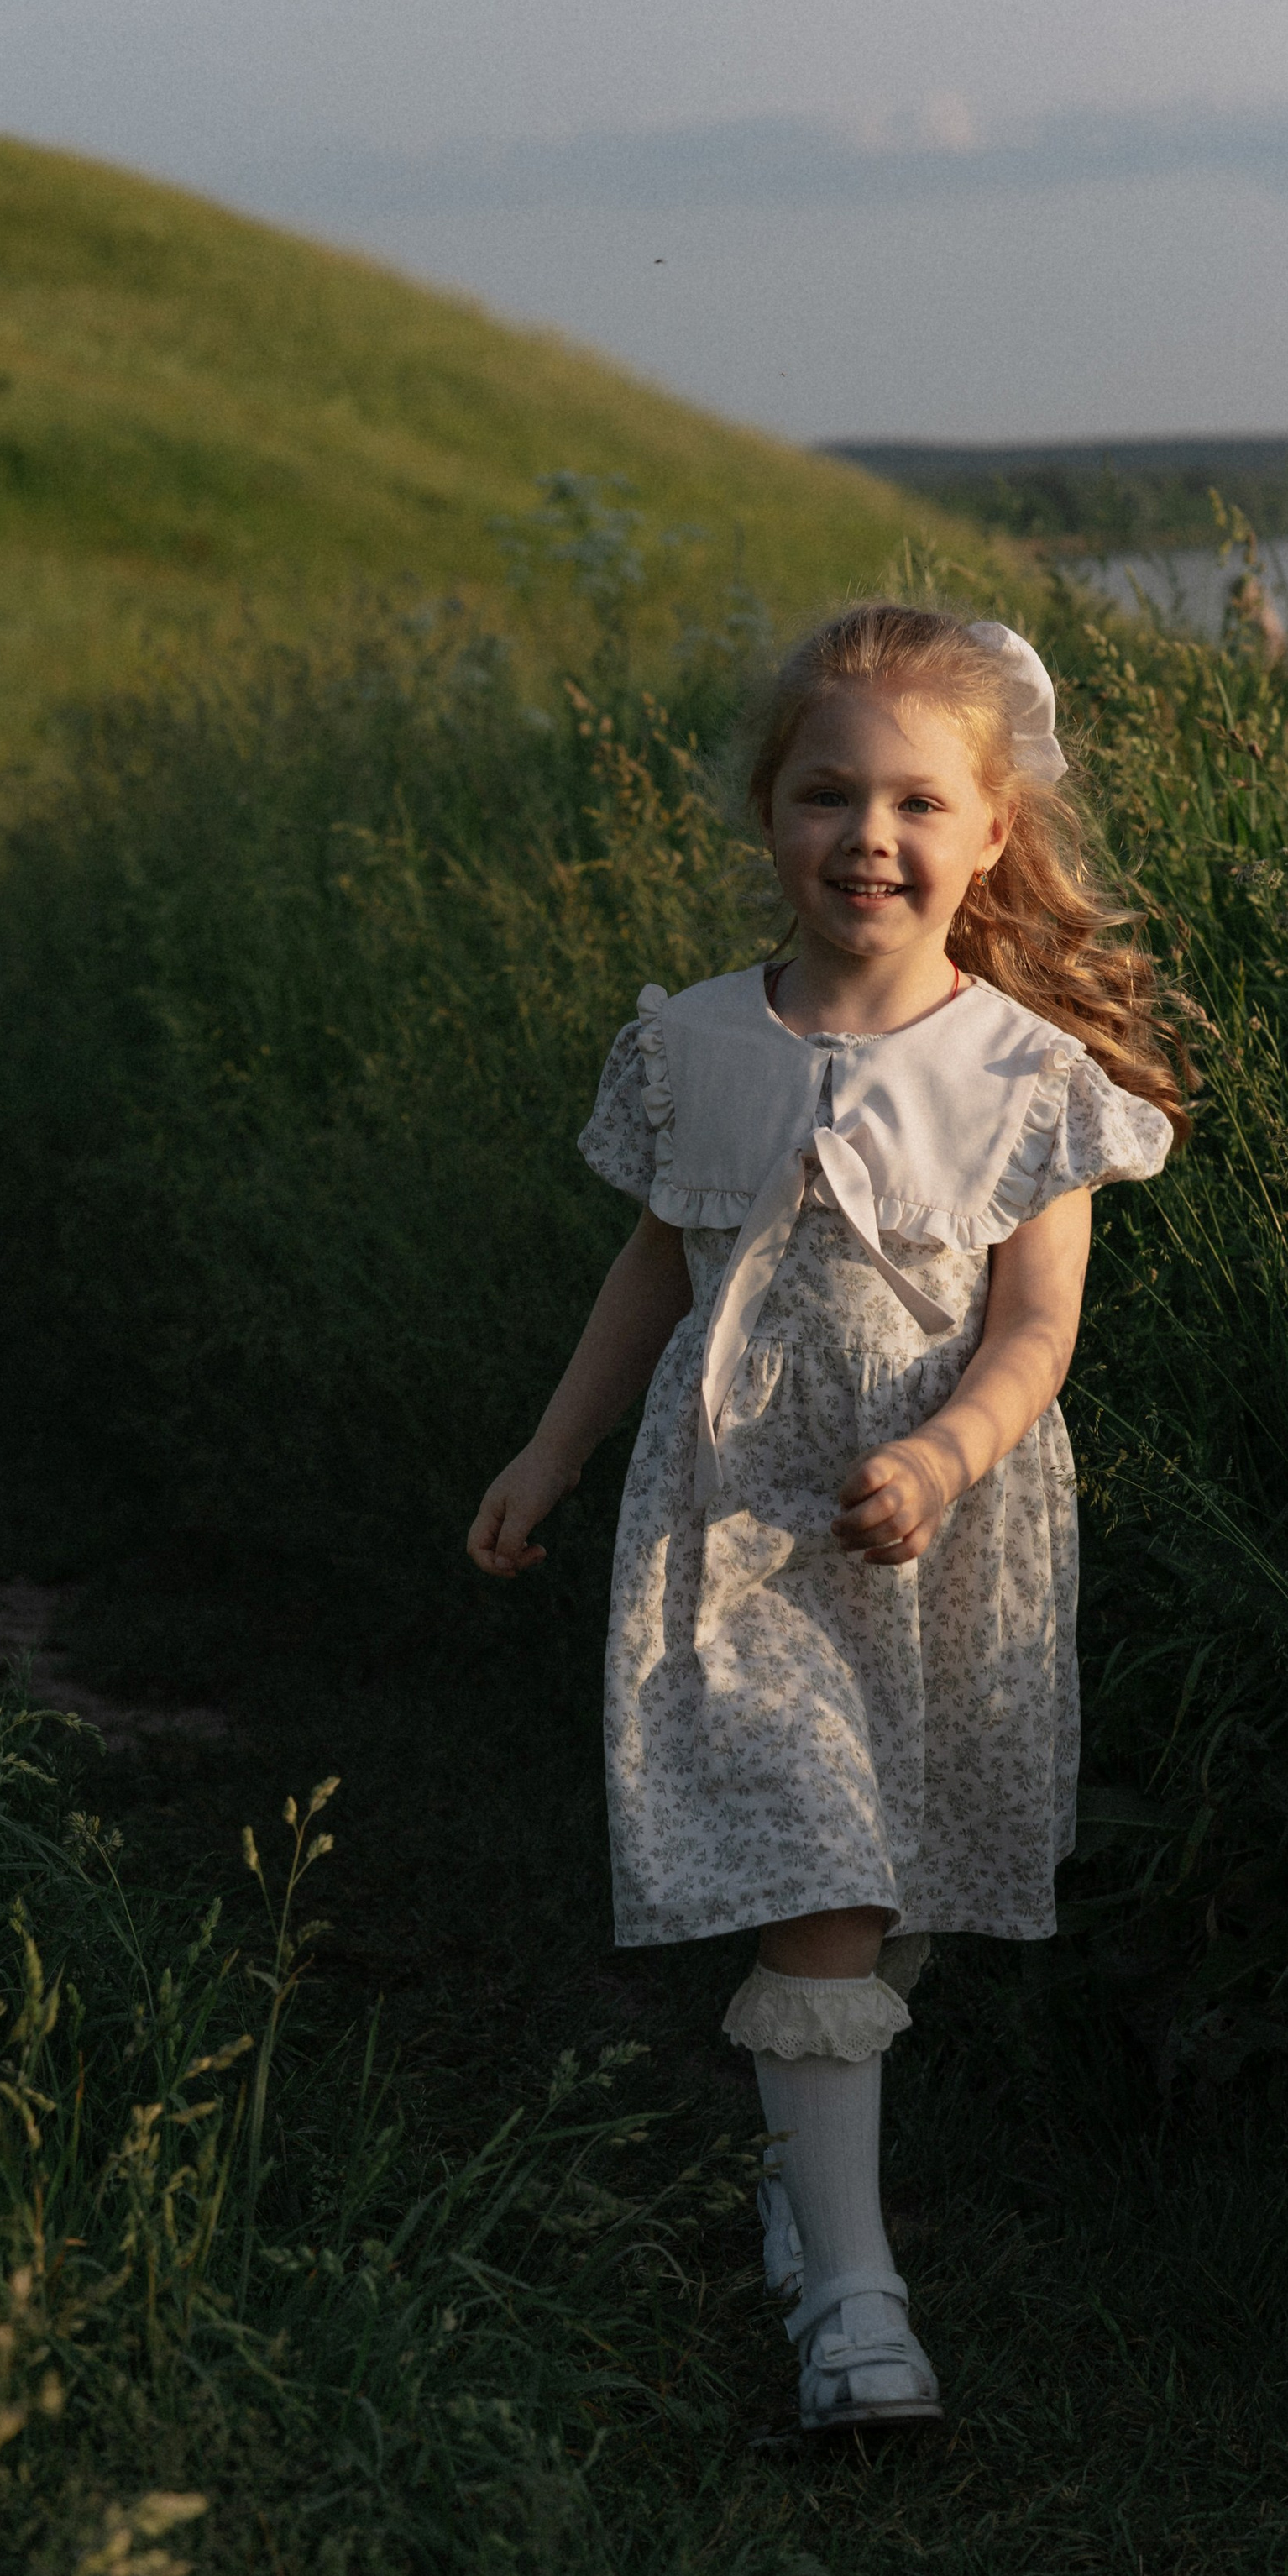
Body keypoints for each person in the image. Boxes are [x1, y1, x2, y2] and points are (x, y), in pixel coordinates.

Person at [467, 606, 1191, 2436]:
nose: (868, 836)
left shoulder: (1025, 1075)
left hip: (934, 1539)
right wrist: (553, 1450)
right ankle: (857, 2304)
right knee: (819, 1877)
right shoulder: (695, 1042)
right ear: (768, 814)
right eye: (825, 794)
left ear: (991, 832)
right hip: (733, 1524)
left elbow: (1034, 1332)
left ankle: (806, 2184)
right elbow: (656, 1268)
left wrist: (944, 1457)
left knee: (881, 1893)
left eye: (916, 802)